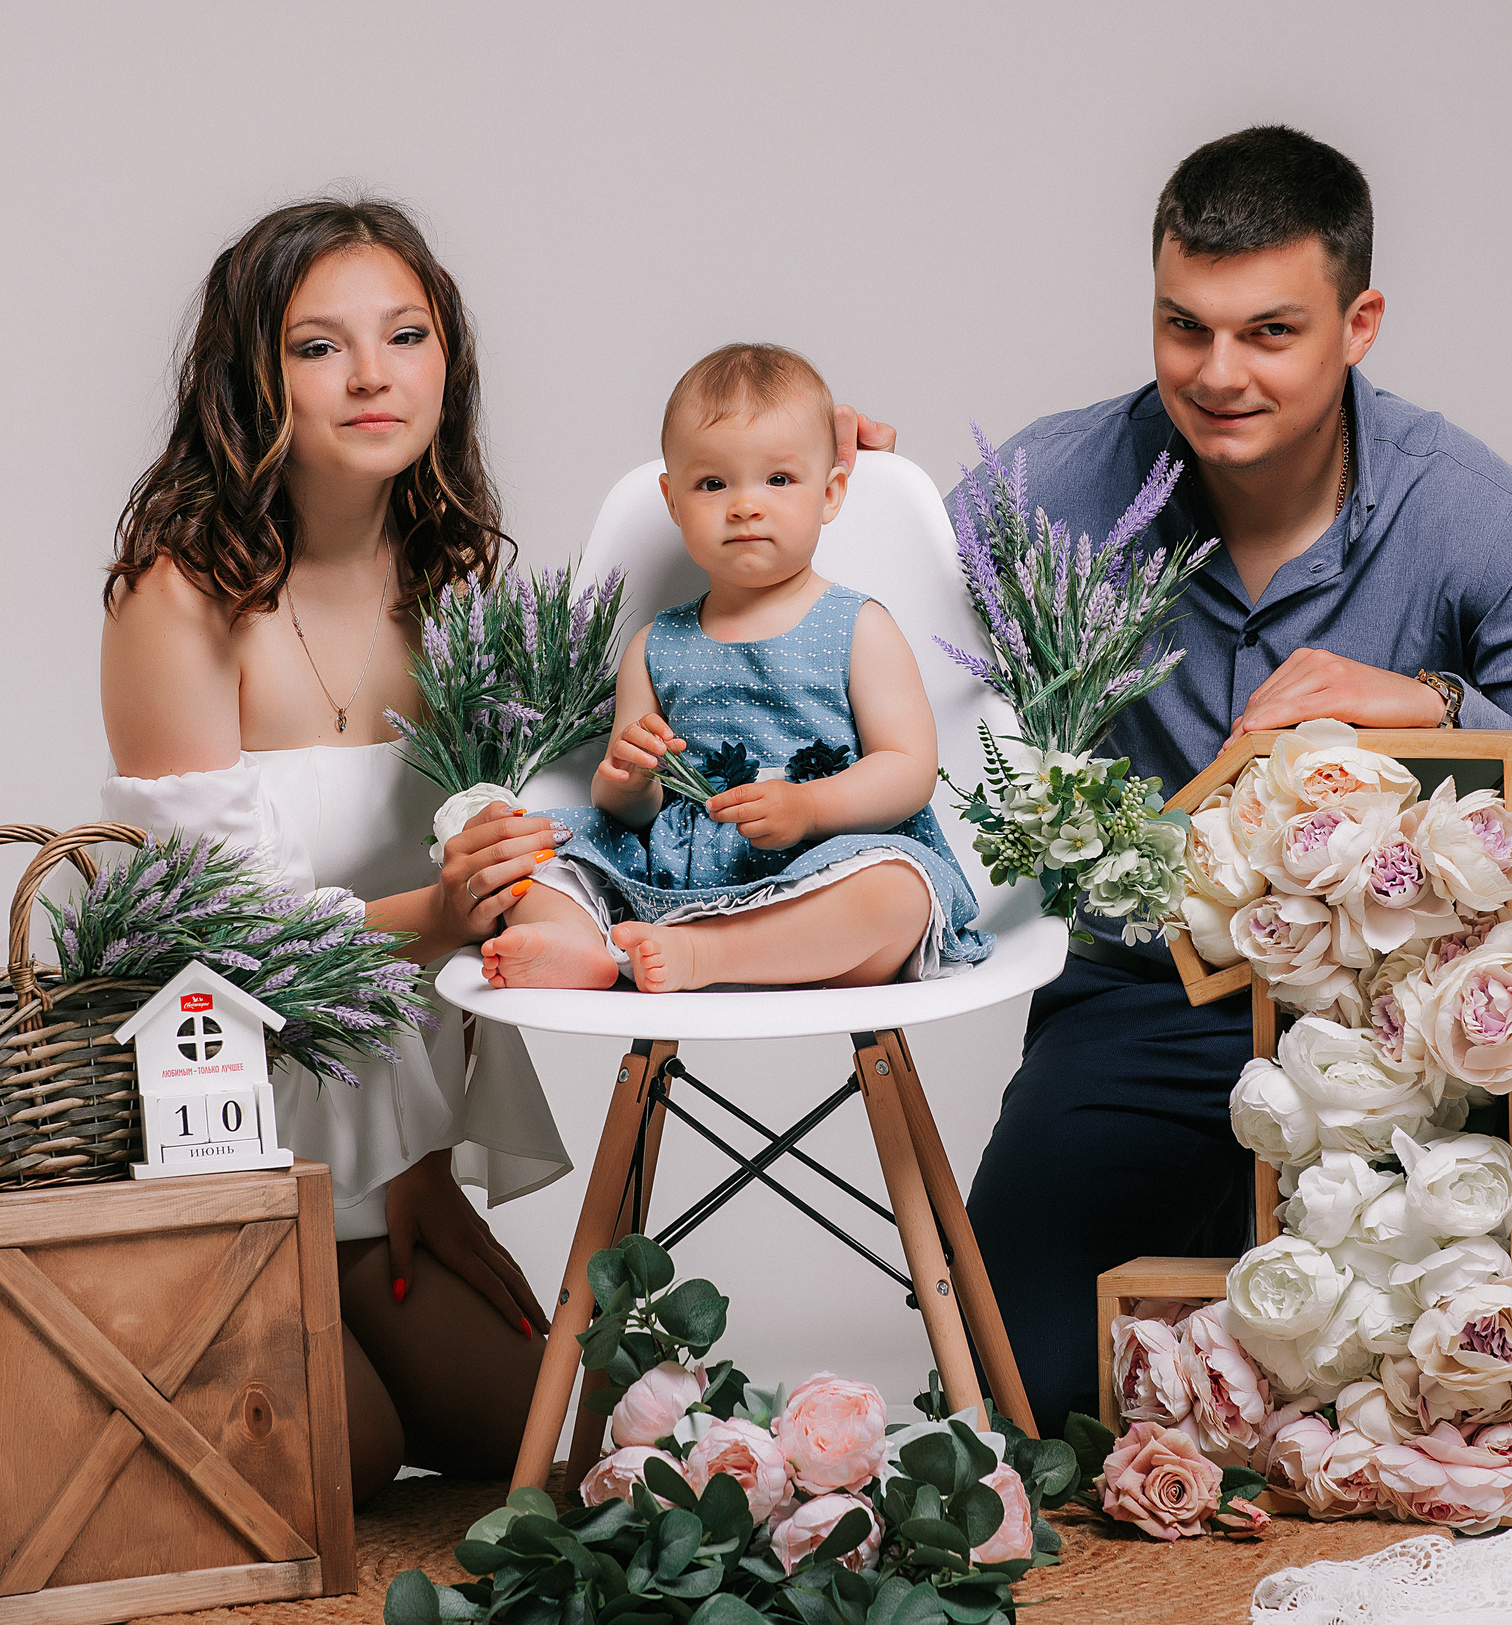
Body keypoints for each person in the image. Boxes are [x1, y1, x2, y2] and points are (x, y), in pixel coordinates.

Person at [960, 127, 1512, 1435]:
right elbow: (845, 632)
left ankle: (1319, 1311)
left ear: (1360, 322)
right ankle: (1246, 1300)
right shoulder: (1045, 489)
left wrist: (1444, 712)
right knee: (1030, 1404)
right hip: (1135, 1007)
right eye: (1184, 327)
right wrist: (834, 493)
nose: (1218, 373)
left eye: (1269, 332)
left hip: (1403, 1025)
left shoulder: (1470, 511)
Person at [96, 198, 580, 1500]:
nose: (374, 374)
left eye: (406, 333)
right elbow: (211, 943)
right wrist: (436, 904)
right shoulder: (179, 591)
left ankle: (370, 1273)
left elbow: (684, 587)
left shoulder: (457, 582)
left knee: (534, 1439)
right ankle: (190, 1324)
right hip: (229, 1138)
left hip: (389, 1143)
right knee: (344, 1461)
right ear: (252, 375)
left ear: (447, 362)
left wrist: (838, 462)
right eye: (320, 345)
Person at [479, 344, 990, 993]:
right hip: (677, 875)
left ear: (829, 492)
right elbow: (629, 810)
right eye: (713, 483)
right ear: (673, 499)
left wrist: (808, 806)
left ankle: (711, 955)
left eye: (778, 480)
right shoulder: (656, 645)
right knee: (534, 852)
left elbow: (908, 770)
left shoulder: (857, 627)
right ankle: (575, 942)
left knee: (897, 893)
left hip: (821, 868)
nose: (745, 505)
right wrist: (628, 777)